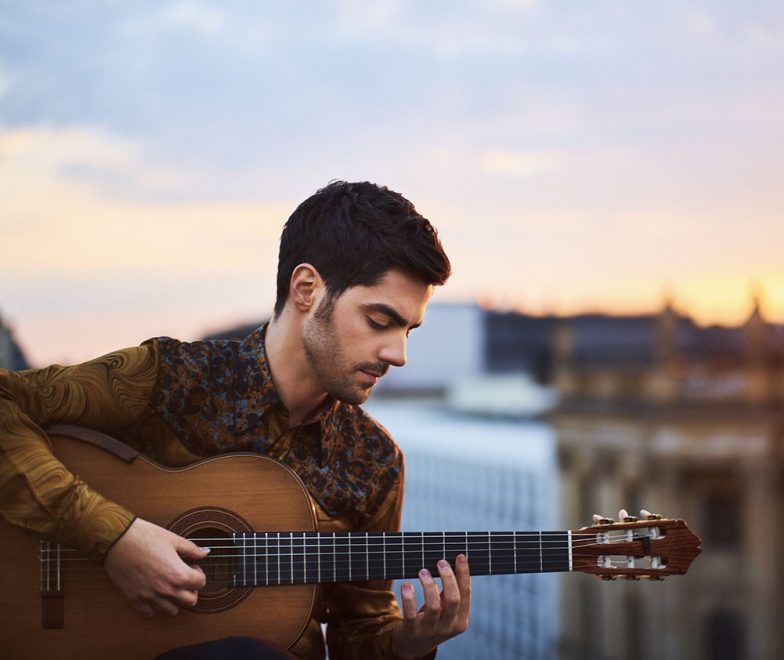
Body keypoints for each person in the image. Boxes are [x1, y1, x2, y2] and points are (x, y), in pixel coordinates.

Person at [0, 181, 471, 659]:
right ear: (306, 289)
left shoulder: (374, 460)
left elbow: (359, 629)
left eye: (408, 330)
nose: (399, 354)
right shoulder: (172, 379)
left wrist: (408, 645)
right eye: (379, 321)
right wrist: (114, 538)